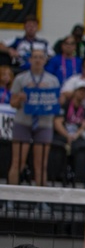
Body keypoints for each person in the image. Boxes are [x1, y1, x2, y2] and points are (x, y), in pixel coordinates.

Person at [7, 49, 61, 191]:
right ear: (30, 60)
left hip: (43, 123)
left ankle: (41, 200)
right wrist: (20, 97)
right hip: (23, 122)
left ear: (44, 60)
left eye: (40, 57)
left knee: (41, 164)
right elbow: (12, 103)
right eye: (35, 57)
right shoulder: (21, 78)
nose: (37, 60)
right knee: (18, 161)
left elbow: (57, 103)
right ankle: (11, 196)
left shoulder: (52, 80)